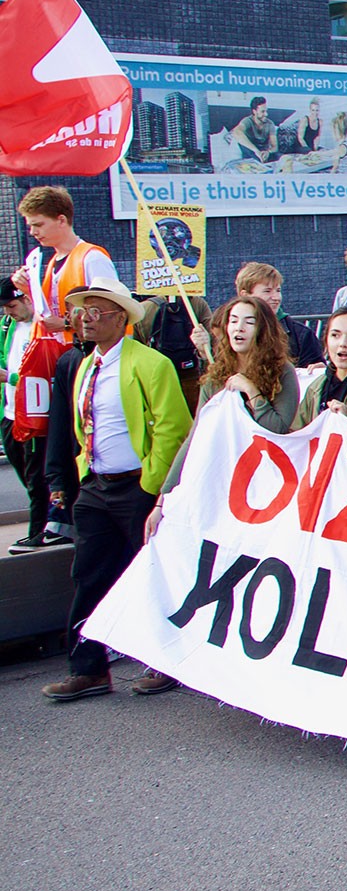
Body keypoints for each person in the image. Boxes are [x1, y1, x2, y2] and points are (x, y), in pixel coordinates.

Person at [39, 280, 191, 702]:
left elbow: (172, 428)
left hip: (134, 486)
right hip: (96, 485)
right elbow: (79, 422)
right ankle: (87, 669)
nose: (84, 319)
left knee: (149, 575)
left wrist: (150, 485)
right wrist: (85, 471)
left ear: (120, 318)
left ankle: (164, 662)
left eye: (96, 312)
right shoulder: (86, 365)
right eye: (81, 312)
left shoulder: (151, 363)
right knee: (88, 575)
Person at [150, 294, 301, 535]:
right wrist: (163, 499)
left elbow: (277, 428)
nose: (239, 328)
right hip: (223, 481)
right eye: (233, 320)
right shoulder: (216, 376)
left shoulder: (282, 372)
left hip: (266, 485)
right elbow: (196, 438)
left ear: (263, 330)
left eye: (249, 322)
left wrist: (251, 391)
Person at [11, 185, 118, 346]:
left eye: (38, 225)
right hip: (66, 352)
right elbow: (49, 313)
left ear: (61, 220)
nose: (32, 232)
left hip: (89, 351)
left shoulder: (92, 258)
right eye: (30, 226)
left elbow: (112, 313)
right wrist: (29, 290)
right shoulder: (53, 262)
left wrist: (65, 325)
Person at [0, 280, 49, 549]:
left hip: (34, 415)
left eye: (12, 305)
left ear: (27, 298)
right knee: (25, 472)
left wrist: (10, 377)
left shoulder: (40, 327)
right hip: (10, 413)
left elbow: (39, 373)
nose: (9, 312)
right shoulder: (8, 327)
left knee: (36, 476)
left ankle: (38, 529)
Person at [234, 261, 324, 368]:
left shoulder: (301, 335)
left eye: (278, 290)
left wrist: (320, 371)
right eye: (267, 291)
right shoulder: (228, 332)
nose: (276, 297)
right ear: (245, 295)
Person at [228, 97, 279, 165]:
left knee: (283, 158)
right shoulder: (247, 121)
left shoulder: (270, 124)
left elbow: (275, 146)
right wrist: (256, 151)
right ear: (254, 111)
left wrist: (268, 152)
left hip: (264, 152)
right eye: (262, 111)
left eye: (266, 111)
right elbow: (236, 132)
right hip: (251, 151)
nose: (266, 114)